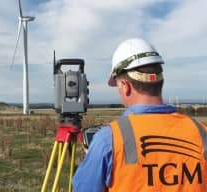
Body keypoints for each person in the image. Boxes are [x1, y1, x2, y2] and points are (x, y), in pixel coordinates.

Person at [72, 38, 207, 191]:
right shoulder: (202, 132)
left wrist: (96, 157)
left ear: (125, 86)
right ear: (159, 82)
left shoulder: (108, 139)